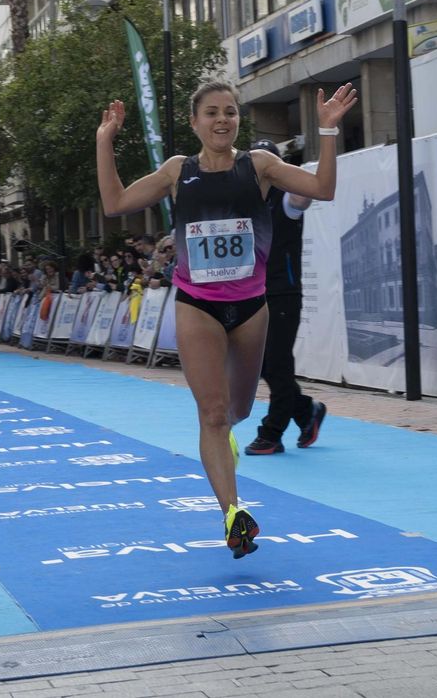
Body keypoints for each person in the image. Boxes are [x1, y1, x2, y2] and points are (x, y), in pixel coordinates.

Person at [98, 79, 358, 558]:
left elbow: (322, 188)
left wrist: (327, 132)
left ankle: (227, 441)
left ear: (239, 119)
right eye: (212, 113)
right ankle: (233, 515)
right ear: (195, 122)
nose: (222, 120)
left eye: (230, 112)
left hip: (251, 307)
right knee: (213, 414)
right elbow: (115, 204)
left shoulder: (258, 166)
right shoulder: (177, 171)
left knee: (238, 409)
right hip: (196, 304)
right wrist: (104, 141)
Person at [246, 139, 326, 456]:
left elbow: (304, 196)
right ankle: (306, 411)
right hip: (252, 295)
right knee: (263, 366)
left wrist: (288, 170)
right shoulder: (246, 202)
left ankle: (272, 432)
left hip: (282, 293)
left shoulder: (286, 199)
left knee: (278, 364)